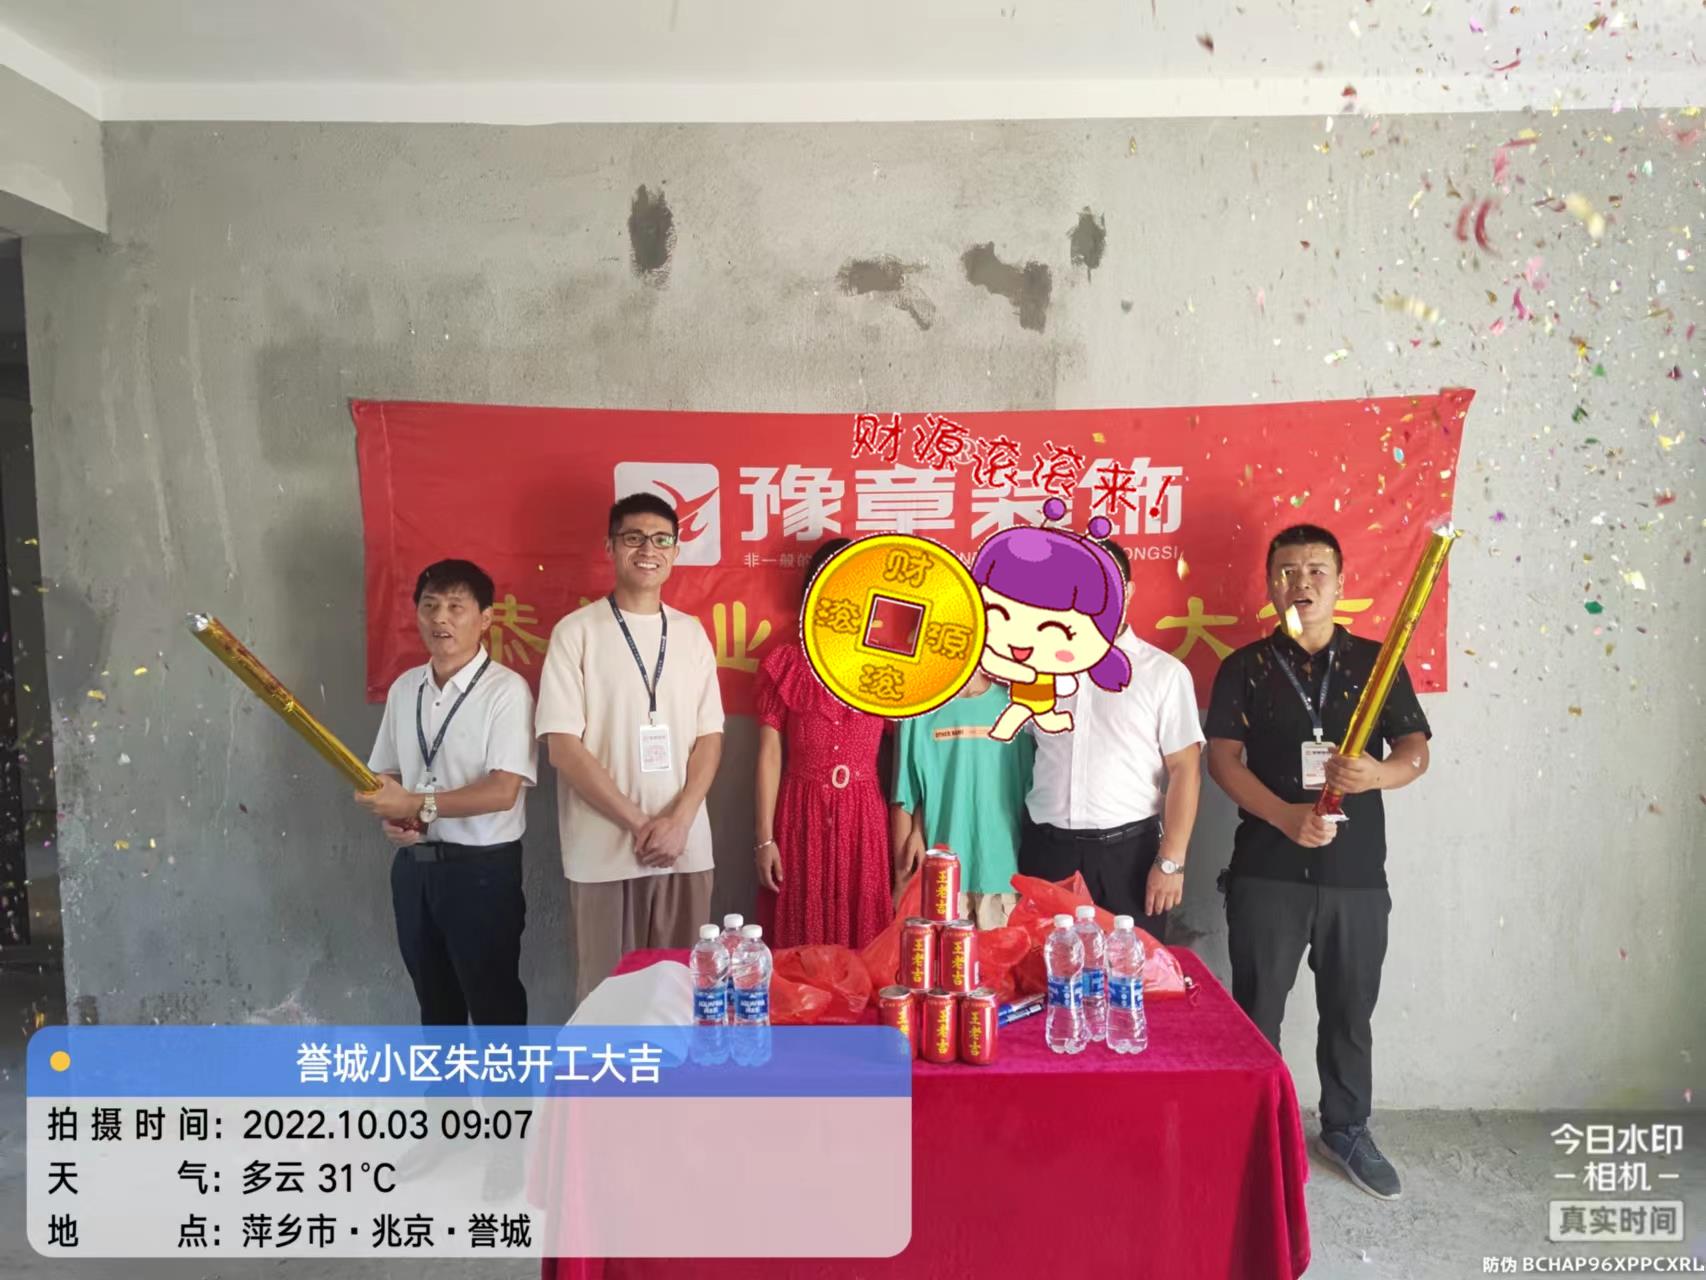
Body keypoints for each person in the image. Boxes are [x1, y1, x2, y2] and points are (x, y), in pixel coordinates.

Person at [1205, 523, 1432, 1202]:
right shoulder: (1244, 667)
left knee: (1349, 1010)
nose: (1300, 583)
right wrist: (1283, 815)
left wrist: (1378, 775)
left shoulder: (1377, 663)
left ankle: (1347, 1128)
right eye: (1287, 572)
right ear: (1269, 583)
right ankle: (1255, 1128)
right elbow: (1222, 760)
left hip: (1355, 875)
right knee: (1258, 1008)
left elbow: (1415, 749)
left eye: (1315, 571)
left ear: (1339, 583)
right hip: (1267, 869)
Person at [537, 493, 725, 1002]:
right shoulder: (576, 633)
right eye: (634, 538)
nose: (648, 549)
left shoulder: (691, 634)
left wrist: (679, 821)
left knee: (682, 995)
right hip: (603, 852)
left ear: (676, 551)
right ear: (610, 546)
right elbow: (562, 747)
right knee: (607, 1001)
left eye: (662, 539)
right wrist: (641, 824)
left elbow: (710, 738)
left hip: (684, 850)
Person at [357, 559, 536, 1027]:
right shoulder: (405, 688)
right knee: (436, 1011)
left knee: (495, 1011)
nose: (440, 618)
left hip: (482, 874)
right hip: (414, 872)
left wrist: (417, 805)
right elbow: (387, 773)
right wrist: (394, 815)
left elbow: (503, 791)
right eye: (430, 606)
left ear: (486, 618)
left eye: (456, 607)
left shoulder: (506, 691)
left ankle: (506, 1084)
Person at [1007, 535, 1204, 937]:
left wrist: (1171, 861)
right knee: (1045, 968)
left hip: (1128, 857)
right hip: (1047, 852)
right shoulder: (1036, 668)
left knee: (1130, 970)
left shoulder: (1162, 673)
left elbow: (1185, 769)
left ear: (1127, 591)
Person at [752, 539, 892, 950]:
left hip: (863, 817)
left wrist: (912, 830)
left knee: (865, 941)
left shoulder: (887, 667)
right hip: (801, 814)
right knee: (801, 939)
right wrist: (763, 839)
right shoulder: (787, 663)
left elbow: (910, 754)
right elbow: (769, 755)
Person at [972, 504, 1133, 741]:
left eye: (1054, 628)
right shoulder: (1005, 667)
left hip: (1042, 702)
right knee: (1026, 714)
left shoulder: (1162, 673)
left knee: (1039, 715)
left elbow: (1181, 760)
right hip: (1029, 721)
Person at [890, 665, 1034, 928]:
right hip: (940, 880)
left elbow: (1035, 794)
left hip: (1003, 877)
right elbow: (904, 797)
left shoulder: (1017, 708)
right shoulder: (919, 711)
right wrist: (901, 883)